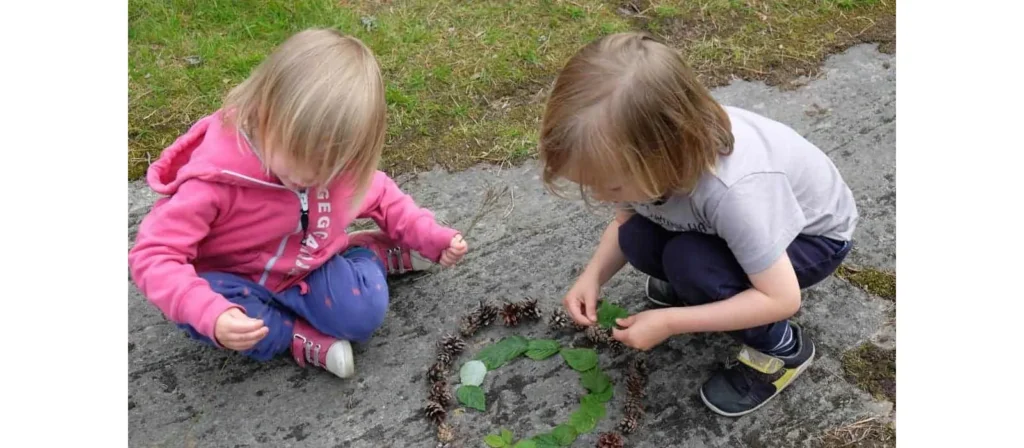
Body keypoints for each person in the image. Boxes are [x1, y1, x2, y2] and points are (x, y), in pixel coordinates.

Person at [538, 32, 857, 416]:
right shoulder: (640, 151)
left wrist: (672, 322)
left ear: (666, 152)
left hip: (811, 240)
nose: (603, 195)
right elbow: (626, 219)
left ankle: (782, 350)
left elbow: (782, 298)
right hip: (728, 224)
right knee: (636, 236)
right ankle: (702, 290)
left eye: (612, 185)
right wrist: (592, 277)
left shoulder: (735, 191)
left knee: (692, 263)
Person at [128, 29, 468, 380]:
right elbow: (153, 254)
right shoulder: (215, 180)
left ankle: (371, 254)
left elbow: (382, 195)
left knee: (363, 316)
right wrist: (209, 312)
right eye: (302, 156)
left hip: (307, 266)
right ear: (264, 113)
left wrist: (430, 236)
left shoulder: (332, 170)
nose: (313, 176)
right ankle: (295, 337)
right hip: (232, 279)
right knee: (221, 325)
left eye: (333, 166)